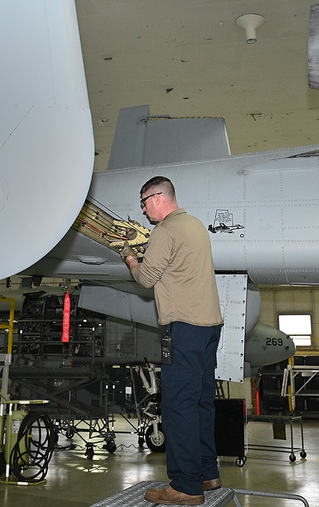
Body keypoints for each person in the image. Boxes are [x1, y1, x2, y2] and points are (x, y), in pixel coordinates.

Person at [123, 176, 223, 506]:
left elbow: (147, 278)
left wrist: (130, 259)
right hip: (210, 326)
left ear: (157, 197)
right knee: (201, 402)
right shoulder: (195, 225)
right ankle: (207, 473)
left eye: (144, 202)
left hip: (184, 327)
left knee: (178, 405)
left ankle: (185, 486)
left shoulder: (164, 231)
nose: (143, 209)